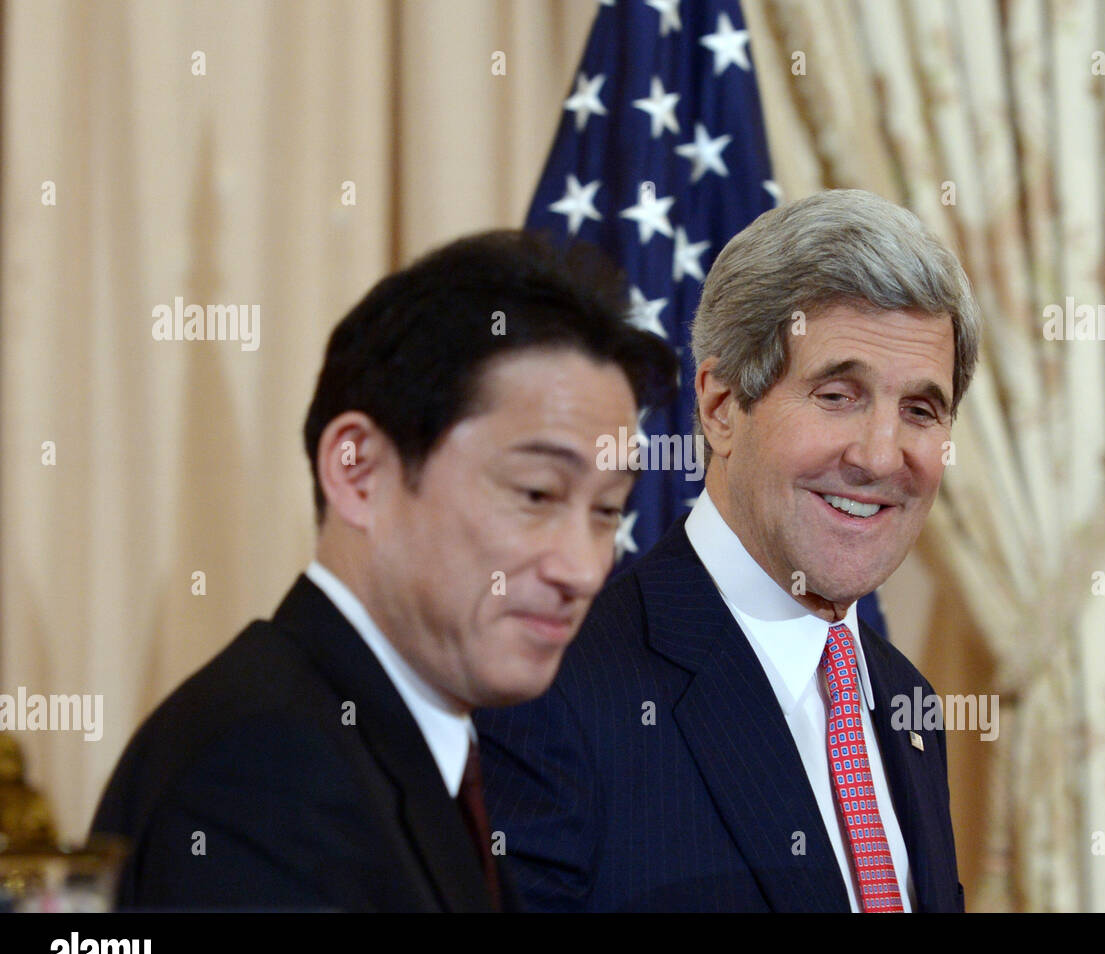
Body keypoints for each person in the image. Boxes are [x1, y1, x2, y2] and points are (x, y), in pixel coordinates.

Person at [90, 231, 678, 911]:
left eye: (607, 510)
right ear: (359, 471)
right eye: (537, 493)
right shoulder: (261, 772)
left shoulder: (417, 749)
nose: (582, 568)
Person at [476, 189, 979, 912]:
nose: (879, 455)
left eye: (921, 411)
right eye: (838, 394)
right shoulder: (555, 688)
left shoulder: (906, 701)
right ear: (720, 408)